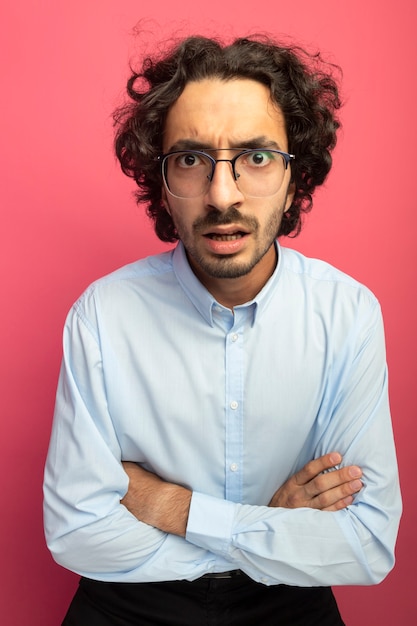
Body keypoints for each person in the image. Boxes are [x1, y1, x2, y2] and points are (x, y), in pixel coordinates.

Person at [43, 34, 402, 625]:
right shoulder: (103, 314)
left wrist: (171, 505)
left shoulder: (347, 314)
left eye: (256, 157)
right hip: (128, 606)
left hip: (290, 606)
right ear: (161, 181)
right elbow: (76, 533)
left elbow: (364, 543)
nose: (222, 195)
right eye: (190, 159)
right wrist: (270, 522)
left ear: (296, 175)